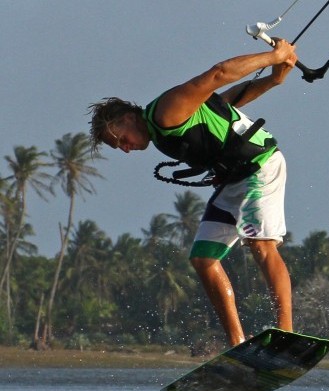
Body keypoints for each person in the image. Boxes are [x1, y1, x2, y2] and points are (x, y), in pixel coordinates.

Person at [89, 40, 298, 347]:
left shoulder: (166, 111)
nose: (125, 148)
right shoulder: (162, 127)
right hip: (234, 179)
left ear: (128, 118)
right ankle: (237, 343)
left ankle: (287, 332)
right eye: (118, 146)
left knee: (260, 244)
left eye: (121, 139)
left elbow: (219, 74)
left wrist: (274, 57)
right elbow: (225, 101)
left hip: (259, 168)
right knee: (203, 259)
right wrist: (273, 79)